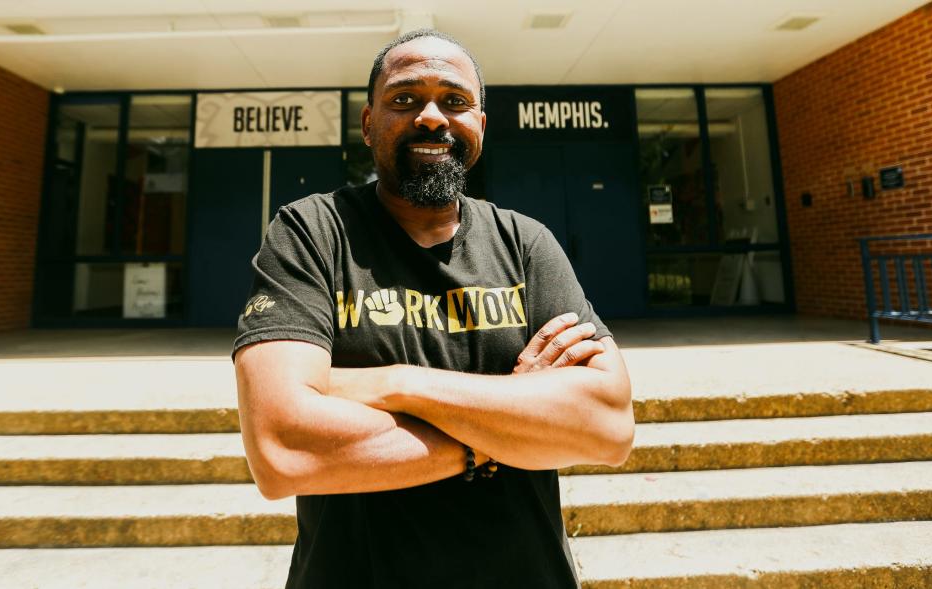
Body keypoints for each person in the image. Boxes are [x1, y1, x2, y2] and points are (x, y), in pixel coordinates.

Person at [233, 28, 634, 589]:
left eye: (454, 101)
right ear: (369, 123)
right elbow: (283, 449)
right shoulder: (311, 233)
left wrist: (394, 384)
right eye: (404, 99)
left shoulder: (525, 243)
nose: (431, 118)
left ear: (480, 126)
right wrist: (506, 429)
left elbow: (607, 428)